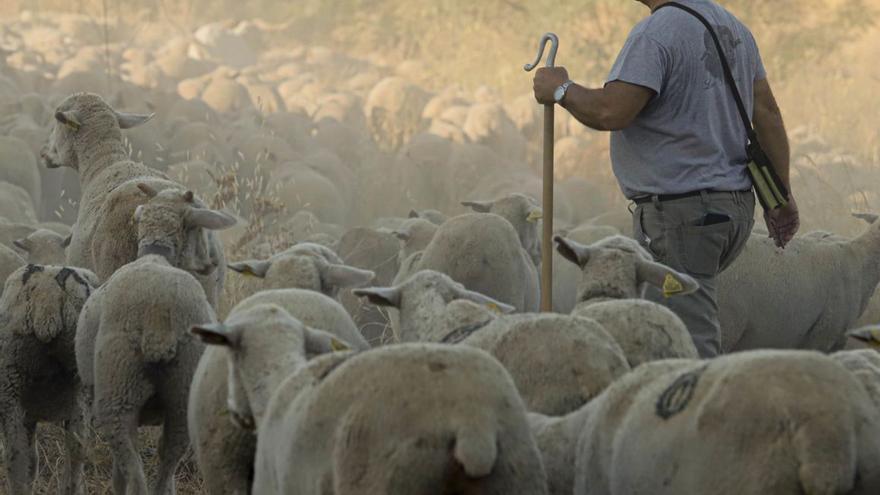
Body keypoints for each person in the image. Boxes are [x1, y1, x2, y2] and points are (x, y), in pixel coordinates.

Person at [532, 0, 799, 358]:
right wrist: (780, 195)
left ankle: (698, 406)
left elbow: (612, 110)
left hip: (683, 215)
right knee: (678, 320)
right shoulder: (732, 27)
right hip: (730, 207)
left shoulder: (654, 34)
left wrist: (561, 90)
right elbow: (766, 112)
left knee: (687, 342)